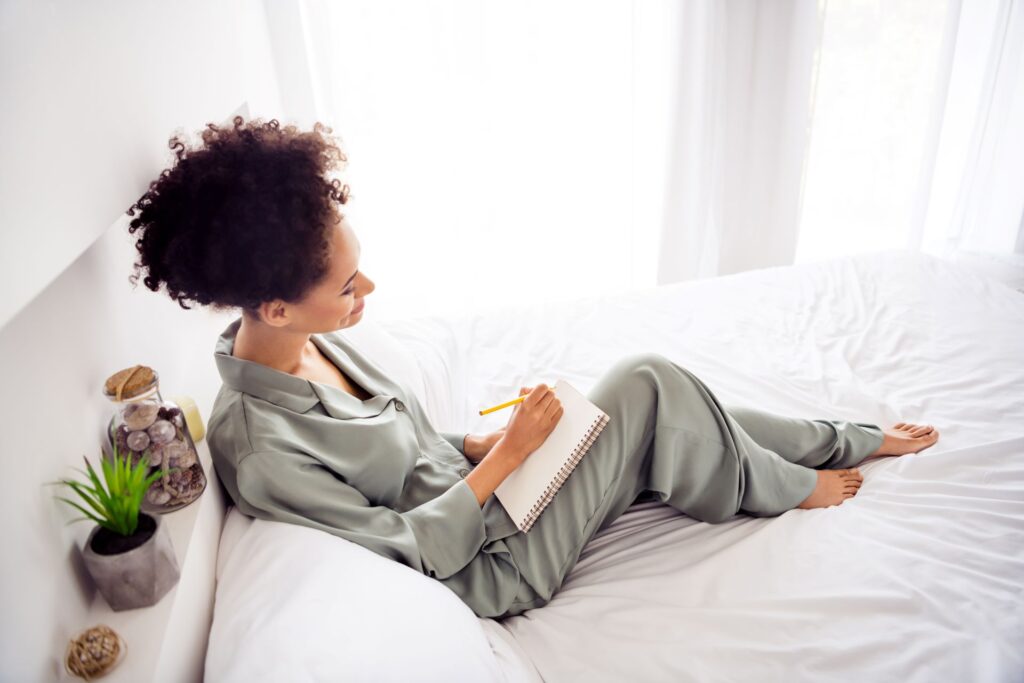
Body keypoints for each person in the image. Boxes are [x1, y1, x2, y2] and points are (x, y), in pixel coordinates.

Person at [126, 116, 940, 619]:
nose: (367, 290)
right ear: (272, 305)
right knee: (648, 382)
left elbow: (407, 446)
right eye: (345, 285)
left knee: (633, 400)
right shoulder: (262, 447)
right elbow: (407, 546)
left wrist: (483, 445)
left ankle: (837, 440)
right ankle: (805, 475)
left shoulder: (309, 343)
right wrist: (512, 458)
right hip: (495, 560)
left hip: (494, 492)